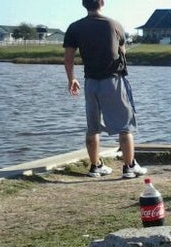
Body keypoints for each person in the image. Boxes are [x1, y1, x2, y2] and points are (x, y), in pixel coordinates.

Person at [63, 0, 147, 178]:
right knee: (125, 125)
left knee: (92, 127)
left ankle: (95, 167)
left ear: (84, 4)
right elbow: (122, 51)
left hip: (90, 82)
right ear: (102, 3)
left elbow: (68, 58)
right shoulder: (114, 24)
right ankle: (129, 166)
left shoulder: (74, 27)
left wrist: (72, 79)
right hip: (113, 81)